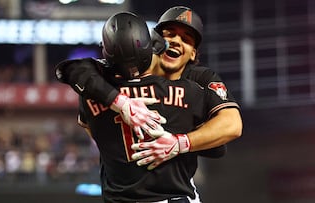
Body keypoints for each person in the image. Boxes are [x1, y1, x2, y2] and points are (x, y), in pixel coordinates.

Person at [56, 11, 239, 203]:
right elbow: (74, 69)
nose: (176, 41)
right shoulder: (190, 92)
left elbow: (231, 126)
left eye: (186, 39)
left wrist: (179, 143)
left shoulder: (200, 79)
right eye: (170, 34)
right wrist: (122, 103)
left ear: (193, 53)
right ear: (154, 42)